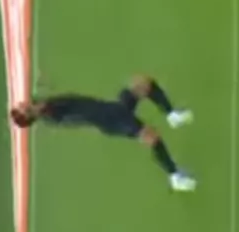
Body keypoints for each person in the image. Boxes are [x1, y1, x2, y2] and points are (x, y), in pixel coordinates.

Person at [11, 75, 195, 192]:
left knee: (144, 83)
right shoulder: (49, 115)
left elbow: (39, 101)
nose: (22, 104)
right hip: (109, 119)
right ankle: (175, 176)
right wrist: (38, 101)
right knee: (151, 136)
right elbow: (45, 108)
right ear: (28, 115)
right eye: (22, 108)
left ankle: (172, 115)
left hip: (109, 108)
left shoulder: (40, 106)